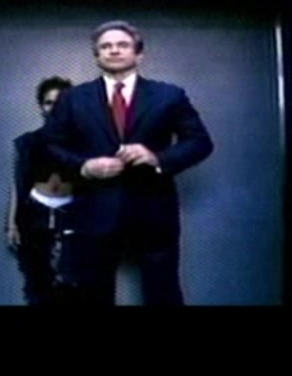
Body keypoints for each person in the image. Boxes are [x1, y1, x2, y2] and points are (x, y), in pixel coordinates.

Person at [42, 20, 213, 305]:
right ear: (97, 56)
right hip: (94, 212)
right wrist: (84, 167)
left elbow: (200, 142)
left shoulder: (169, 95)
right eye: (105, 46)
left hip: (154, 213)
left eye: (122, 45)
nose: (114, 50)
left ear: (139, 54)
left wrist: (157, 158)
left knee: (163, 294)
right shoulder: (73, 99)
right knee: (92, 295)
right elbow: (49, 147)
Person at [6, 76, 76, 305]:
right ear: (41, 107)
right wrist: (11, 224)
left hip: (73, 217)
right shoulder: (27, 143)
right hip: (35, 216)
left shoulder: (85, 143)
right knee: (38, 284)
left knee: (74, 284)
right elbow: (17, 184)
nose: (54, 107)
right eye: (49, 102)